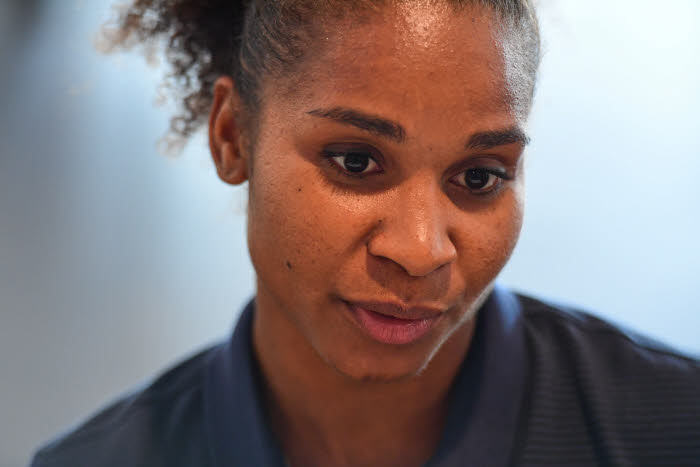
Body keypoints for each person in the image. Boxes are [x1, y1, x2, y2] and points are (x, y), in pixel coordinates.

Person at [31, 0, 700, 466]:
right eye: (355, 161)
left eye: (479, 177)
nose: (421, 251)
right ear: (232, 136)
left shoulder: (675, 428)